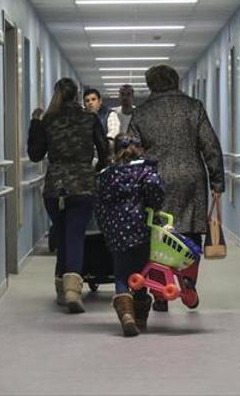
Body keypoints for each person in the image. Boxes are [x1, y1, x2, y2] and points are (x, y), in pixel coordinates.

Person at [127, 64, 225, 312]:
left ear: (150, 85)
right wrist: (217, 181)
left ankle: (160, 292)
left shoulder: (142, 114)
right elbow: (210, 146)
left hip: (155, 178)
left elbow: (130, 152)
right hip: (191, 177)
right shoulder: (194, 107)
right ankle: (188, 282)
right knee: (189, 231)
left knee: (157, 234)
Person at [28, 78, 110, 313]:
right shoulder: (89, 118)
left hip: (55, 187)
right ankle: (72, 290)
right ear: (76, 96)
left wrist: (35, 122)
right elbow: (104, 151)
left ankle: (61, 288)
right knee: (74, 235)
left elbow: (35, 154)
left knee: (63, 234)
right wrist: (94, 171)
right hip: (83, 185)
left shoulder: (48, 120)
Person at [96, 135, 164, 336]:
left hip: (117, 231)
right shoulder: (146, 171)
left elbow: (99, 204)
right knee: (141, 273)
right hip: (141, 229)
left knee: (121, 274)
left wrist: (105, 228)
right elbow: (156, 194)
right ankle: (141, 318)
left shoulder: (107, 175)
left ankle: (126, 315)